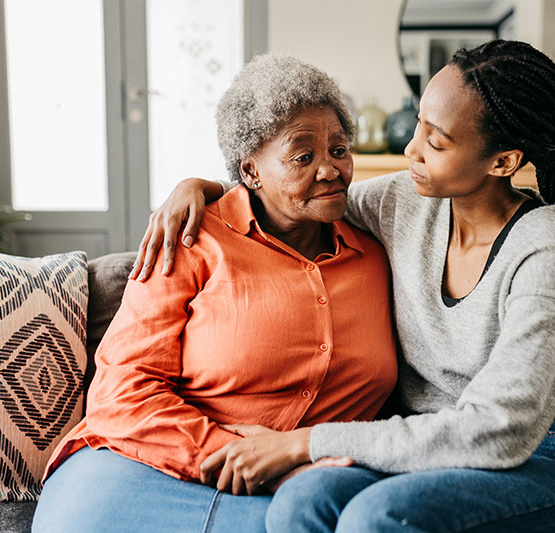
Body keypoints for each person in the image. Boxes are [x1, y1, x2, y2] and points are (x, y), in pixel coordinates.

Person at [132, 40, 555, 532]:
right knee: (302, 500)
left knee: (379, 518)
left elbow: (501, 430)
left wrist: (305, 442)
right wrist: (202, 188)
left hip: (551, 455)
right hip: (430, 455)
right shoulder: (404, 201)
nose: (411, 149)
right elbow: (298, 195)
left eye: (436, 141)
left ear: (502, 161)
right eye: (419, 125)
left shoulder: (545, 242)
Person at [31, 54, 398, 533]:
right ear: (250, 171)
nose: (330, 170)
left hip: (307, 488)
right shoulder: (189, 237)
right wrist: (234, 450)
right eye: (303, 156)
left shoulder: (379, 249)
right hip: (145, 465)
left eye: (339, 150)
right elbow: (122, 391)